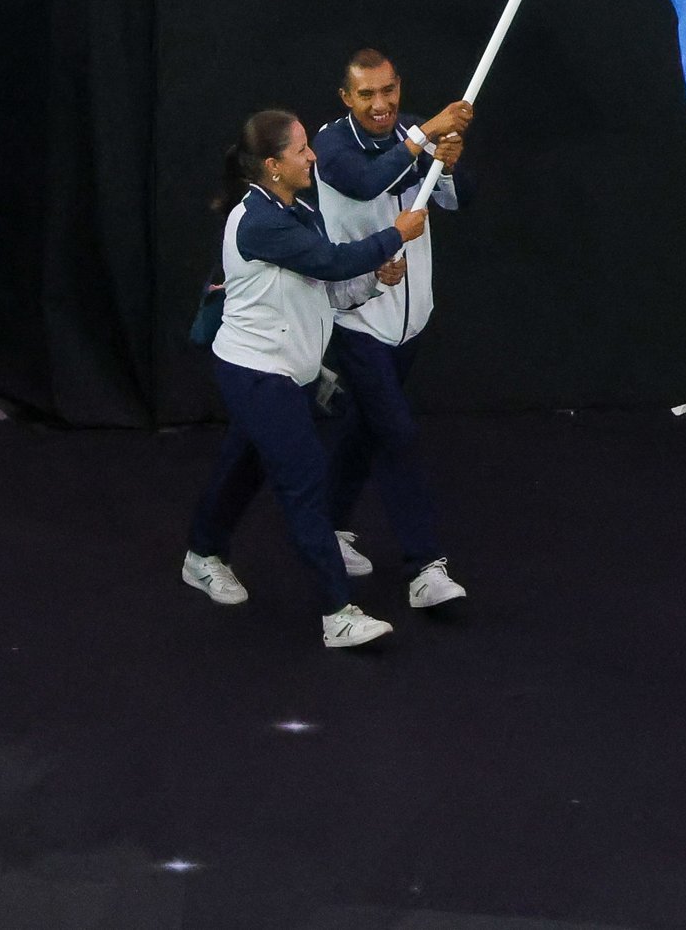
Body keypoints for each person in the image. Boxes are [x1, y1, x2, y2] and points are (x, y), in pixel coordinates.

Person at [181, 109, 427, 649]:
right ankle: (337, 612)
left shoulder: (301, 212)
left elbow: (329, 287)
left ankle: (202, 554)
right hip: (255, 374)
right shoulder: (260, 222)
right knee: (305, 479)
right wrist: (394, 236)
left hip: (286, 372)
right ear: (273, 166)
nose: (312, 155)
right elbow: (332, 262)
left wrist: (373, 282)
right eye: (300, 151)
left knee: (244, 466)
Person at [312, 48, 475, 609]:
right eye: (366, 94)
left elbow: (459, 201)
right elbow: (366, 184)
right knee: (398, 434)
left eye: (388, 91)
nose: (380, 105)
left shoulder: (411, 131)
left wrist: (448, 164)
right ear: (345, 98)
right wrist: (429, 131)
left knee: (366, 428)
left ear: (398, 86)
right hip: (357, 317)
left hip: (412, 319)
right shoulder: (331, 146)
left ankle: (326, 527)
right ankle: (425, 567)